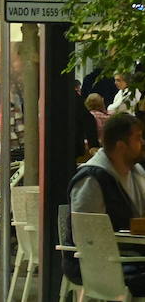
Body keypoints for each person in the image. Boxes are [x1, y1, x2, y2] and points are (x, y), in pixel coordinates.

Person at [66, 112, 145, 294]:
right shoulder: (92, 179)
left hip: (130, 258)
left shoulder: (136, 172)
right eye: (138, 138)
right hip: (99, 265)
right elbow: (88, 239)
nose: (142, 143)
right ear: (121, 145)